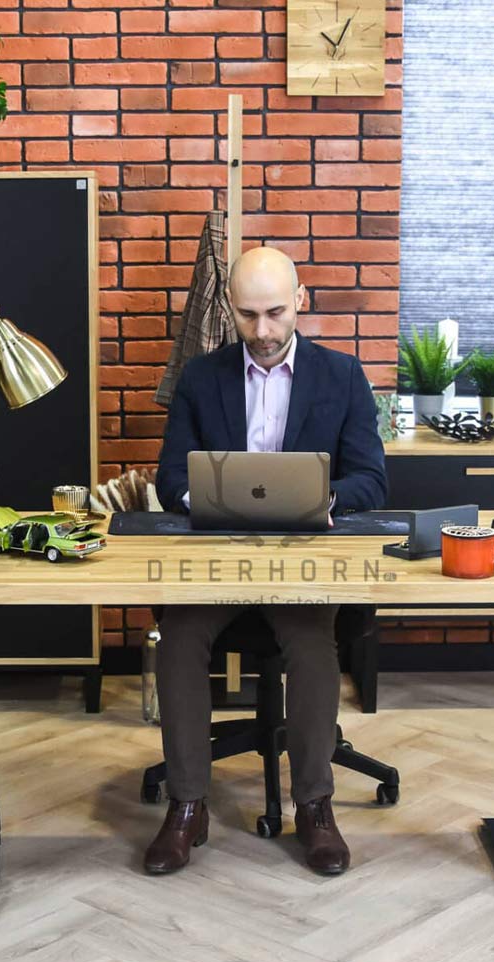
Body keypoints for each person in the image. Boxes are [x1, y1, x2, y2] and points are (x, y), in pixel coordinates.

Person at [148, 247, 388, 876]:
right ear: (231, 308)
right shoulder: (202, 378)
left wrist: (326, 499)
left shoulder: (342, 376)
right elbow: (170, 476)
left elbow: (373, 479)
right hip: (218, 560)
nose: (262, 331)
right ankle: (187, 806)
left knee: (312, 649)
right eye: (248, 315)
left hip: (300, 561)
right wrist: (203, 498)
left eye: (275, 313)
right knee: (177, 638)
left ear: (300, 300)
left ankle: (314, 806)